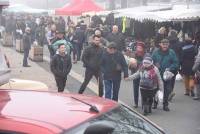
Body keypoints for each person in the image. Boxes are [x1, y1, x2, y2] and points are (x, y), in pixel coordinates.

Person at [152, 39, 179, 111]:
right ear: (160, 44)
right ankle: (155, 103)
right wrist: (155, 65)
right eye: (163, 44)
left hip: (167, 75)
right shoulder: (155, 52)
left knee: (167, 90)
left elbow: (176, 63)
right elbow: (151, 61)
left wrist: (170, 68)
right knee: (156, 89)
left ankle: (165, 105)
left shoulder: (171, 52)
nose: (165, 46)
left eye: (166, 44)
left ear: (168, 45)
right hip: (157, 75)